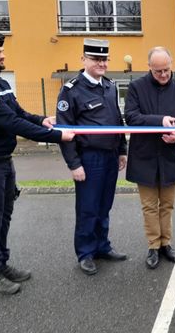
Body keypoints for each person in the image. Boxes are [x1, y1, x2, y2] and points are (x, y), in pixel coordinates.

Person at [0, 31, 75, 295]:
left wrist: (41, 119)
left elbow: (17, 113)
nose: (2, 55)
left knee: (3, 217)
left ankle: (1, 264)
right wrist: (57, 136)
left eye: (1, 51)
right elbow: (10, 123)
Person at [56, 38, 128, 276]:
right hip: (89, 158)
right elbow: (64, 132)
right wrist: (74, 164)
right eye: (96, 59)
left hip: (109, 156)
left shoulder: (110, 86)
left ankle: (102, 246)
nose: (101, 63)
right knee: (88, 207)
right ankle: (85, 253)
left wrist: (121, 150)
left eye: (104, 59)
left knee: (104, 205)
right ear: (83, 59)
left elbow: (117, 121)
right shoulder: (71, 90)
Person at [124, 47, 175, 269]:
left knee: (167, 205)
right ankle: (153, 246)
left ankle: (166, 244)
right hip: (144, 157)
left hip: (169, 156)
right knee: (149, 206)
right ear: (149, 68)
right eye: (158, 71)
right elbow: (131, 118)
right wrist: (159, 120)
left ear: (171, 65)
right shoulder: (136, 87)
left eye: (167, 70)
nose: (163, 75)